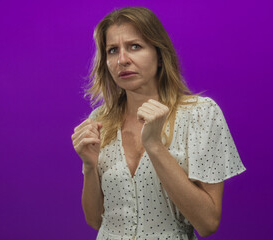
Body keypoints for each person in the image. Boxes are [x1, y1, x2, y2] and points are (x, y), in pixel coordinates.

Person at [71, 6, 246, 240]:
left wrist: (154, 145)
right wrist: (91, 167)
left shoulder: (201, 114)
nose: (122, 60)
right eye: (112, 50)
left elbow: (207, 223)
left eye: (135, 46)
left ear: (159, 55)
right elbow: (94, 220)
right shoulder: (99, 121)